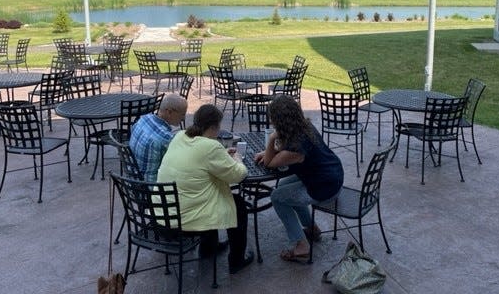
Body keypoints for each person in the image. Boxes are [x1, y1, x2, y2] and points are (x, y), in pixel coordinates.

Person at [157, 104, 254, 274]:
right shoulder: (210, 147)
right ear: (213, 127)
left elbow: (198, 158)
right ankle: (236, 260)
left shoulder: (180, 136)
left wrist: (222, 154)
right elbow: (237, 175)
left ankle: (209, 247)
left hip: (163, 213)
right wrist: (237, 158)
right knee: (237, 203)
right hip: (182, 221)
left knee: (207, 192)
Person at [254, 95, 344, 263]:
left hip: (325, 187)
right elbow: (280, 150)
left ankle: (301, 246)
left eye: (273, 120)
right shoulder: (305, 126)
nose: (271, 122)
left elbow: (269, 163)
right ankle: (311, 228)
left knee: (277, 197)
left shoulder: (296, 149)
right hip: (331, 175)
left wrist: (272, 138)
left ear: (280, 122)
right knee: (284, 186)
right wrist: (269, 151)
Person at [129, 93, 187, 182]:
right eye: (182, 114)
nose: (183, 118)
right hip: (151, 188)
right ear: (169, 112)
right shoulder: (166, 138)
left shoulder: (143, 119)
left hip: (132, 179)